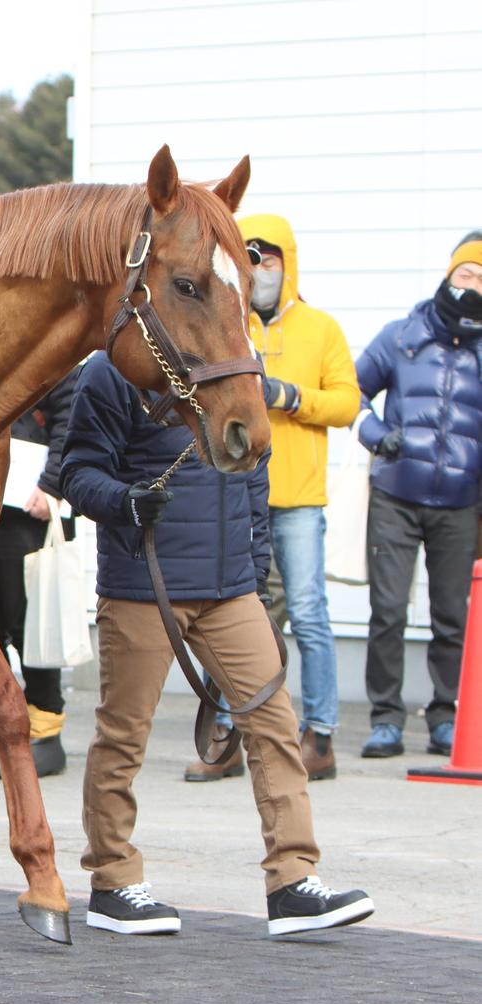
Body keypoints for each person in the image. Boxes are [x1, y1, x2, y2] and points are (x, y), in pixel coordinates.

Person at [60, 352, 372, 936]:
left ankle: (293, 880)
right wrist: (125, 502)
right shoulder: (112, 370)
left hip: (231, 590)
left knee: (275, 724)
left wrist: (256, 572)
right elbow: (77, 472)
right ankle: (113, 880)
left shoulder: (239, 360)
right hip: (144, 582)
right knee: (123, 734)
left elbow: (255, 469)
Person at [184, 215, 360, 783]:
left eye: (269, 258)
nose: (260, 270)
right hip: (233, 493)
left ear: (289, 263)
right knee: (229, 612)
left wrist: (291, 396)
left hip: (298, 497)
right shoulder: (224, 319)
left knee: (308, 612)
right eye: (250, 257)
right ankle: (225, 736)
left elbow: (347, 404)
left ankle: (320, 735)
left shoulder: (321, 329)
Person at [356, 237, 482, 759]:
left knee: (452, 616)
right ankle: (385, 718)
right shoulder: (400, 336)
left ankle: (445, 717)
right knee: (387, 611)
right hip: (396, 496)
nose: (472, 286)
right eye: (466, 274)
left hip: (462, 504)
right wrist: (375, 435)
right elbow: (351, 391)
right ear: (449, 275)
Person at [0, 365, 81, 779]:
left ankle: (45, 733)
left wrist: (53, 485)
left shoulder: (56, 354)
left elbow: (71, 420)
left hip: (28, 513)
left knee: (31, 626)